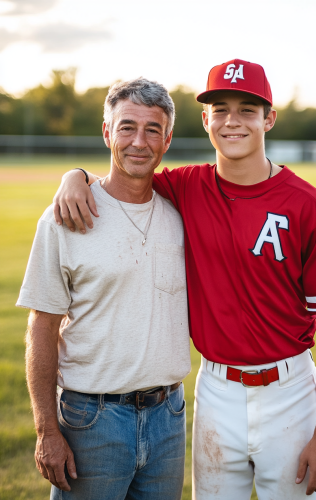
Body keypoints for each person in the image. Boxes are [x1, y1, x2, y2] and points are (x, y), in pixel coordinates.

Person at [53, 59, 316, 499]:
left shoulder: (308, 205)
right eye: (220, 109)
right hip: (216, 389)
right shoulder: (186, 187)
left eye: (247, 110)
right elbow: (127, 175)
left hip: (289, 388)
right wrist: (76, 176)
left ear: (269, 118)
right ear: (205, 120)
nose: (232, 121)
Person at [16, 78, 191, 500]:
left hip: (169, 415)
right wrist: (46, 430)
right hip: (91, 419)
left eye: (153, 129)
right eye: (126, 126)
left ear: (167, 139)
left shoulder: (182, 213)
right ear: (106, 131)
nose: (139, 141)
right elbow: (42, 326)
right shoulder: (65, 216)